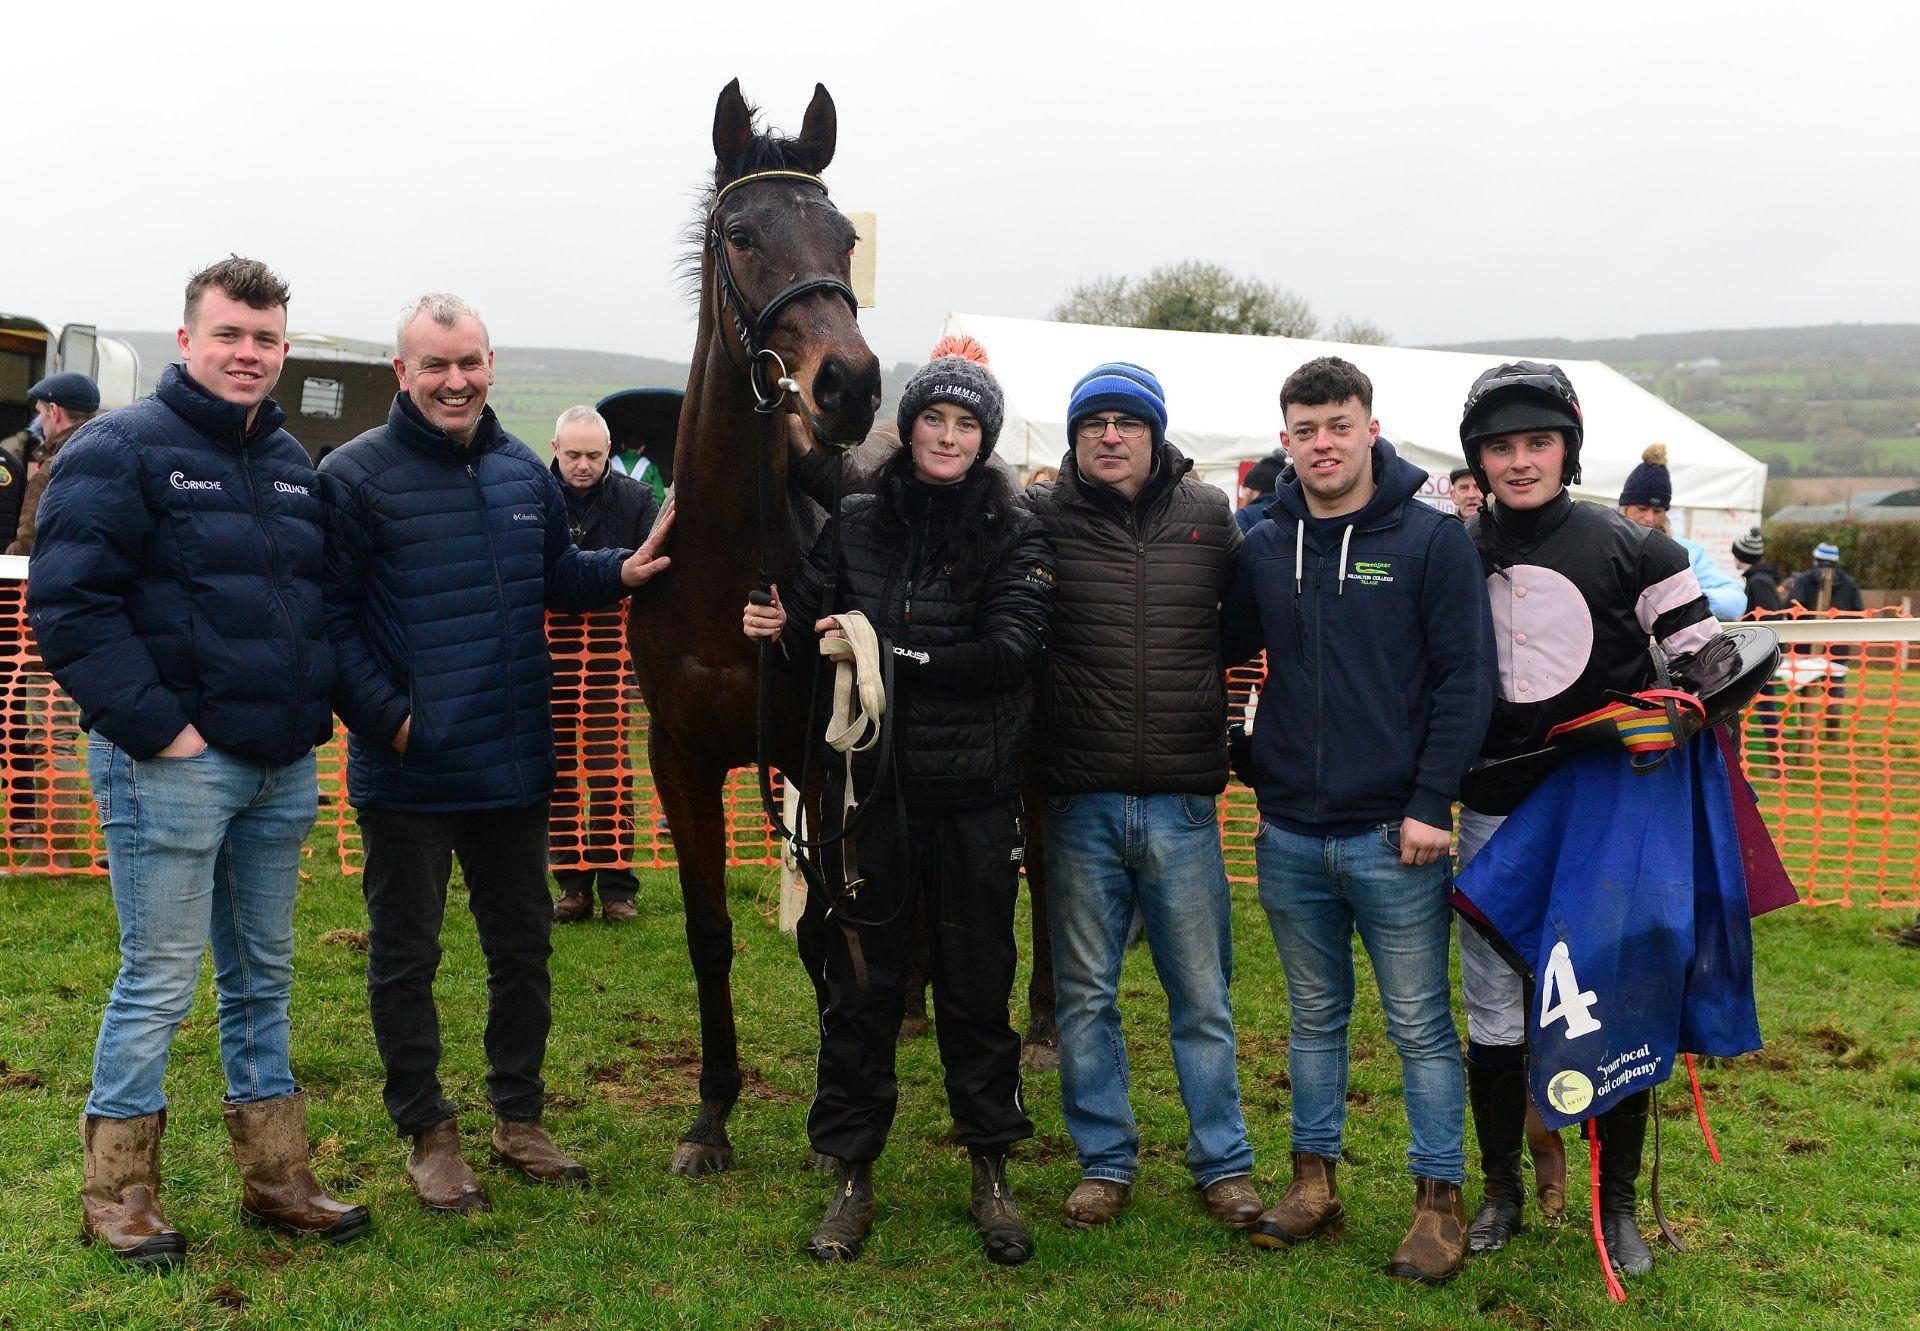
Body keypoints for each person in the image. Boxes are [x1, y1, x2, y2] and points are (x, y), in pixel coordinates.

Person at [27, 257, 367, 1265]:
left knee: (262, 973)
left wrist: (314, 717)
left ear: (283, 349)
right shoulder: (120, 448)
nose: (247, 353)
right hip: (168, 763)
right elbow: (71, 604)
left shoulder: (296, 467)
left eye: (265, 338)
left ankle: (276, 1174)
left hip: (278, 766)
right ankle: (118, 1187)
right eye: (229, 334)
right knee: (161, 976)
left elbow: (313, 608)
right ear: (188, 340)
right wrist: (162, 732)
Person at [320, 293, 673, 1212]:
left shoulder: (525, 472)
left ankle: (519, 1115)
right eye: (435, 364)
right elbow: (328, 624)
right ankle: (428, 1131)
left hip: (514, 765)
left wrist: (623, 571)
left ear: (491, 365)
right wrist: (393, 722)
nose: (455, 379)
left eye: (469, 361)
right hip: (409, 773)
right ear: (403, 372)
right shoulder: (354, 475)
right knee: (408, 956)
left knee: (522, 952)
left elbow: (555, 573)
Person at [744, 337, 1052, 1265]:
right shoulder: (860, 522)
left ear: (983, 436)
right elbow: (807, 628)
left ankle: (991, 1165)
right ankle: (849, 1169)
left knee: (976, 984)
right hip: (869, 792)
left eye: (966, 423)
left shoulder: (1016, 530)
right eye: (934, 419)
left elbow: (1010, 653)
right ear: (909, 428)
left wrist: (893, 654)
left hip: (974, 797)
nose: (949, 435)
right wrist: (780, 626)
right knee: (860, 983)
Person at [1220, 356, 1491, 1284]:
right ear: (1285, 438)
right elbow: (1213, 646)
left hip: (1395, 835)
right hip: (1289, 828)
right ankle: (1313, 1180)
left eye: (1339, 424)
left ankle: (1437, 1200)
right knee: (1312, 1015)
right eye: (1305, 428)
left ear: (1371, 428)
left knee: (1419, 1021)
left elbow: (1466, 680)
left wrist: (1429, 802)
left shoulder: (1429, 538)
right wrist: (1239, 751)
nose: (1322, 443)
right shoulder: (1260, 540)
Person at [1453, 361, 1720, 1279]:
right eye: (1500, 446)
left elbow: (1716, 668)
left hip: (1604, 815)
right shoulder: (1452, 545)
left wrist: (1678, 708)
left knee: (1615, 995)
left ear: (1567, 446)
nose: (1519, 461)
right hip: (1494, 806)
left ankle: (1616, 1208)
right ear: (1477, 457)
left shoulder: (1637, 550)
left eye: (1537, 442)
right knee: (1494, 1006)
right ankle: (1499, 1191)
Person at [1023, 361, 1264, 1234]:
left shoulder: (1208, 517)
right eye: (1094, 423)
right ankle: (1105, 1159)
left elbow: (1241, 624)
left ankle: (1225, 1161)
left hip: (1183, 801)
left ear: (1156, 433)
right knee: (1085, 992)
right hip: (1077, 798)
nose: (1111, 436)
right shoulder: (1039, 518)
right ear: (1075, 435)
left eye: (1128, 421)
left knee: (1201, 993)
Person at [548, 405, 659, 925]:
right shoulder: (534, 495)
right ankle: (571, 885)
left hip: (611, 661)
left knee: (610, 768)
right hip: (546, 657)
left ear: (609, 453)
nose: (583, 465)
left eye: (594, 455)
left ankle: (618, 888)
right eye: (573, 455)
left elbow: (656, 568)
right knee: (558, 772)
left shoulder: (637, 500)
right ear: (555, 451)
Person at [1617, 444, 1747, 622]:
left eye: (1658, 511)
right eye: (1642, 508)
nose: (1649, 518)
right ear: (1625, 507)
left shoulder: (1688, 552)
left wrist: (1687, 600)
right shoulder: (1606, 544)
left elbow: (1735, 601)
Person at [8, 371, 100, 557]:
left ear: (54, 411)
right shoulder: (120, 460)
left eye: (40, 412)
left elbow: (27, 547)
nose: (39, 420)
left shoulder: (51, 472)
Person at [1784, 541, 1865, 728]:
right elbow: (1858, 612)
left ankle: (1805, 727)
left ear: (1816, 559)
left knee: (1806, 686)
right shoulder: (1849, 583)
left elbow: (1791, 606)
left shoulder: (1803, 580)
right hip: (1838, 646)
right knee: (1835, 688)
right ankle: (1833, 729)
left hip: (1805, 645)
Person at [1732, 527, 1785, 616]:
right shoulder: (1757, 578)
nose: (1734, 559)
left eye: (1735, 555)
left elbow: (1768, 616)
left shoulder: (1759, 582)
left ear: (1742, 557)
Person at [1234, 449, 1287, 533]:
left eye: (1245, 489)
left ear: (1254, 489)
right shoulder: (1296, 513)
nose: (1244, 495)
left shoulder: (1245, 516)